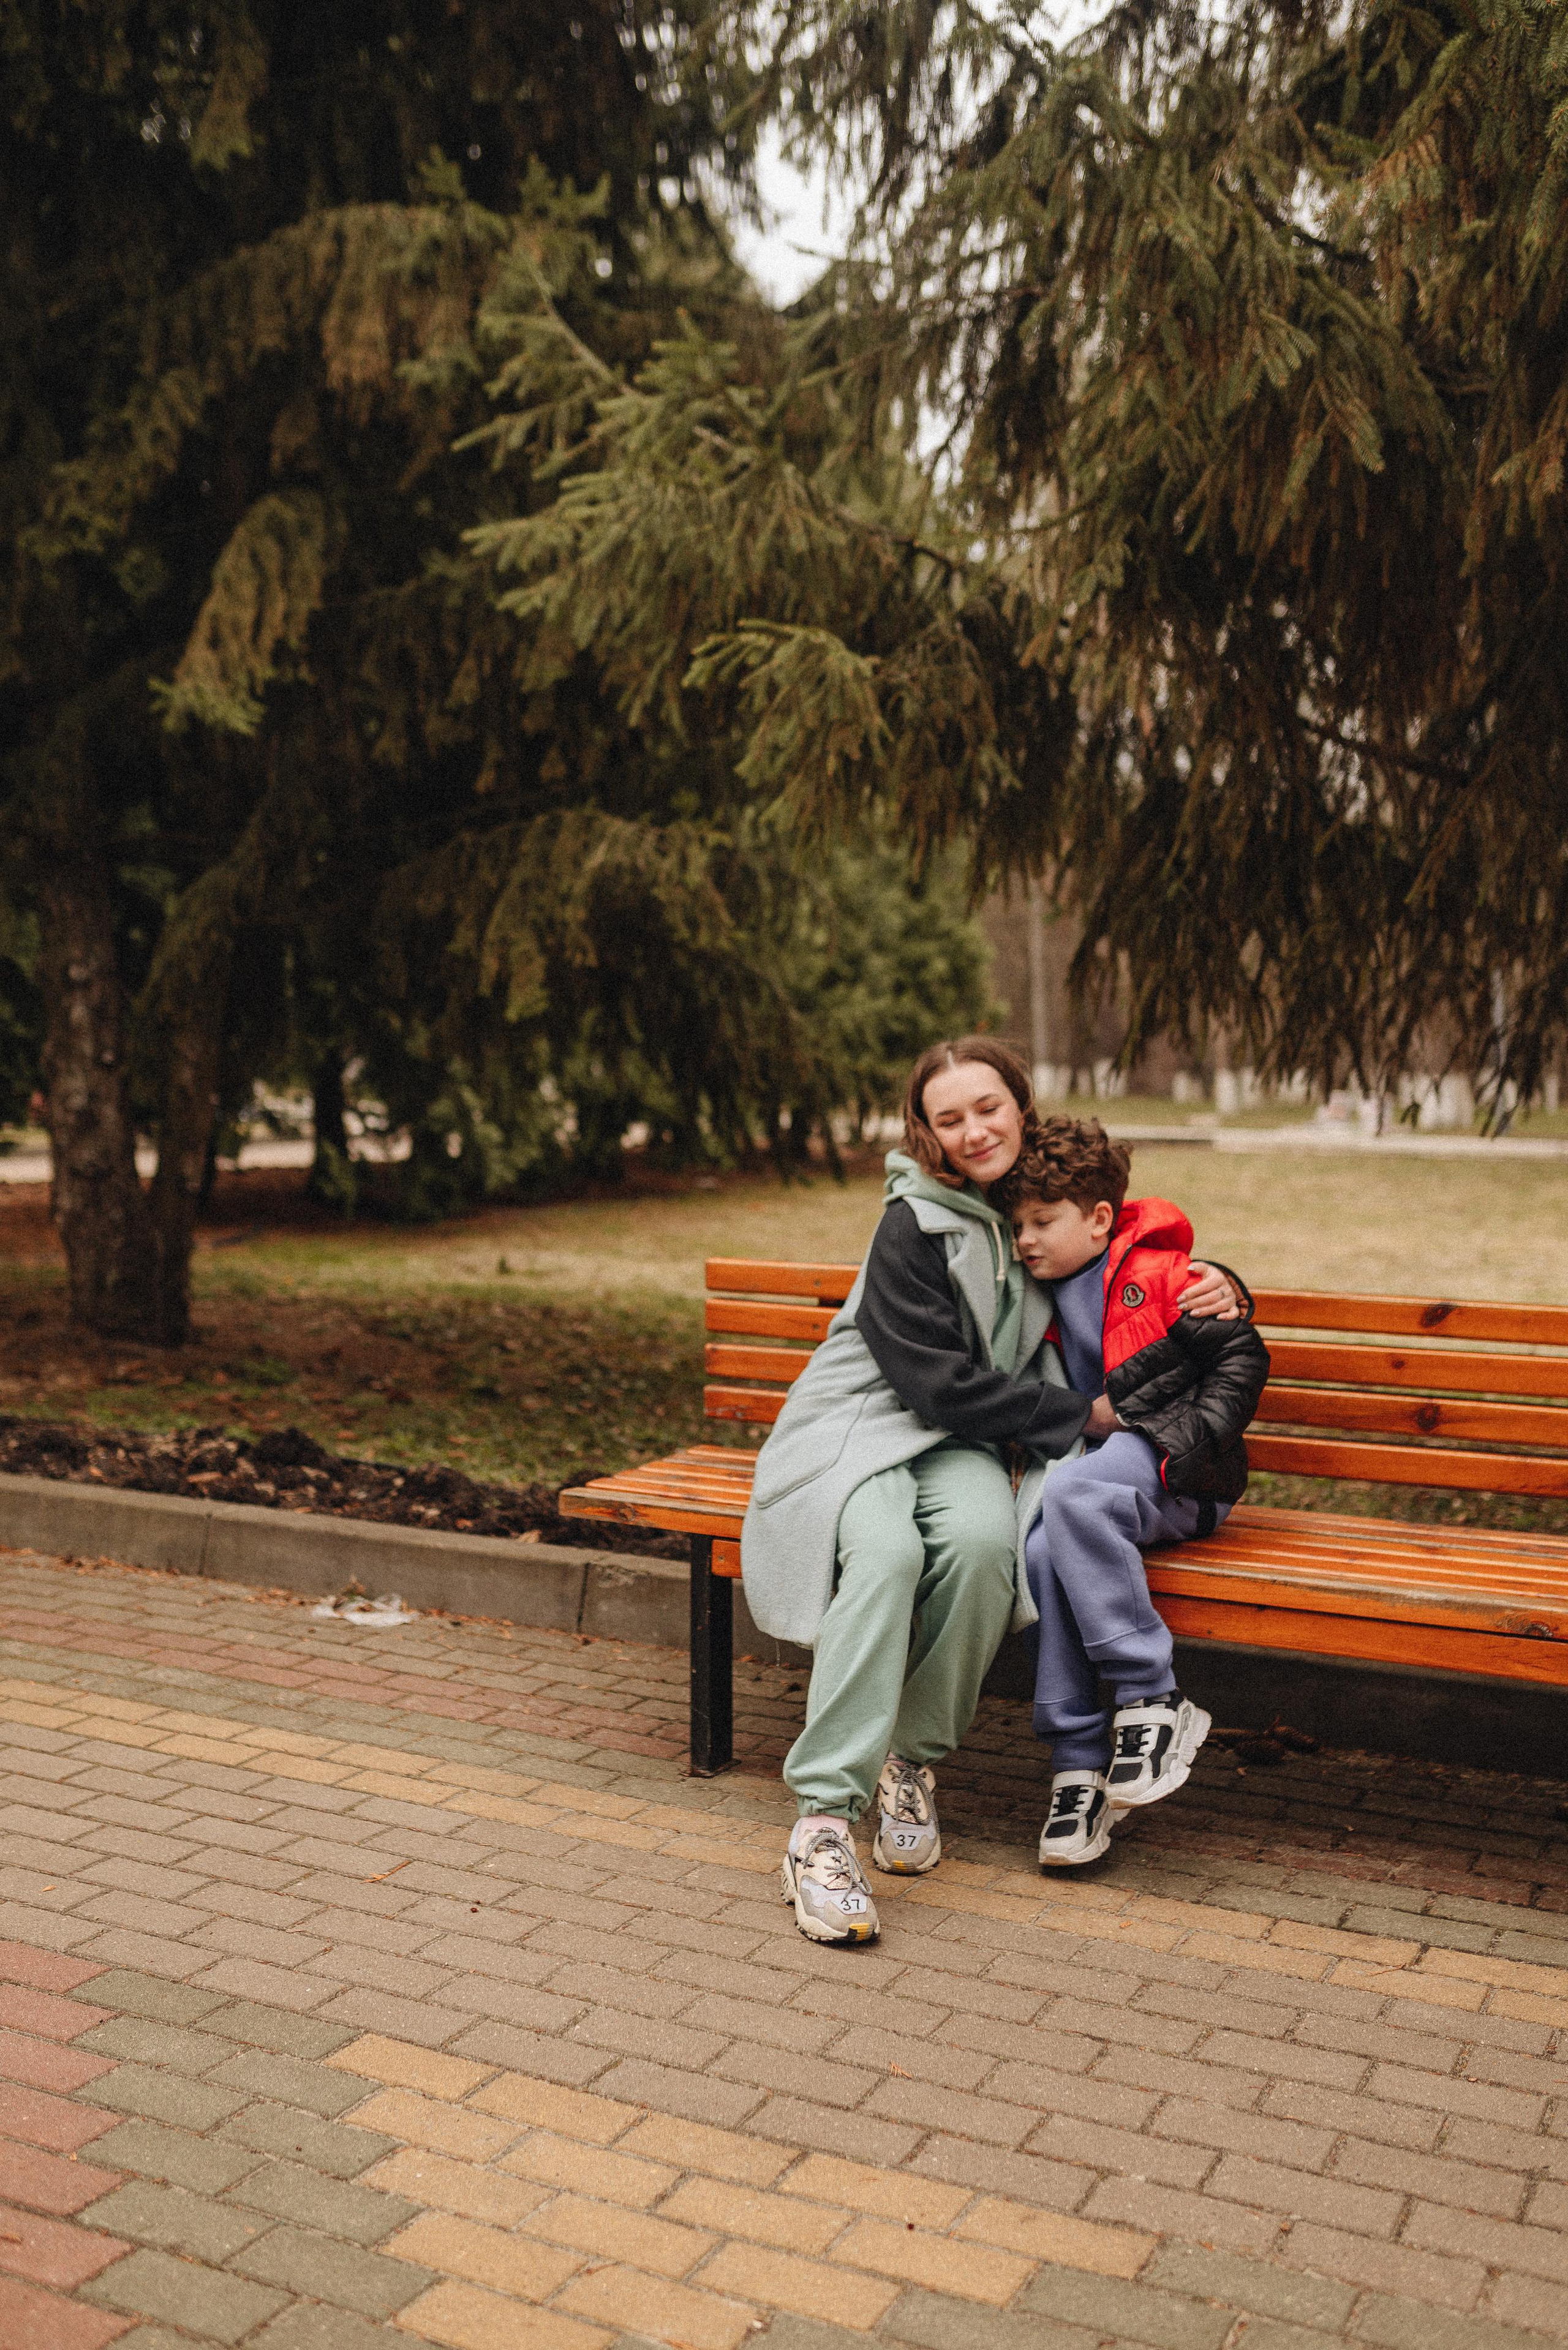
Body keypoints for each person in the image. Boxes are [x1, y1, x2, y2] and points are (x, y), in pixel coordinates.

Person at [740, 1039, 1241, 1946]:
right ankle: (822, 1820)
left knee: (982, 1548)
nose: (974, 1131)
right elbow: (934, 1381)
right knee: (890, 1556)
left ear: (1020, 1104)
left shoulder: (1028, 1196)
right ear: (924, 1132)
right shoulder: (912, 1225)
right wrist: (1081, 1418)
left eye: (988, 1108)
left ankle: (910, 1760)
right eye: (949, 1118)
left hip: (964, 1443)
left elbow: (1127, 1234)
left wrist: (1222, 1284)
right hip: (865, 1430)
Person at [993, 1117, 1270, 1869]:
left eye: (1043, 1222)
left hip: (1181, 1477)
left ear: (1100, 1218)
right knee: (1045, 1544)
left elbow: (1242, 1353)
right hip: (1108, 1484)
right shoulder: (1037, 1297)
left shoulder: (1160, 1276)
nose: (1026, 1239)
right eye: (1016, 1225)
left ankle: (1153, 1698)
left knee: (1073, 1497)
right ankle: (1077, 1768)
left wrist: (1186, 1439)